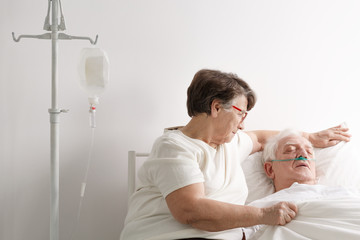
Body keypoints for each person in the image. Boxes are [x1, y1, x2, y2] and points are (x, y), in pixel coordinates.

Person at [120, 69, 351, 240]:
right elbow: (190, 211)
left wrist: (310, 137)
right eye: (242, 114)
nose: (242, 125)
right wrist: (263, 214)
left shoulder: (231, 143)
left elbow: (261, 138)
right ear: (216, 107)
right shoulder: (174, 147)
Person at [244, 129, 360, 239]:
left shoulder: (347, 194)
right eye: (290, 150)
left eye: (309, 152)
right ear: (270, 170)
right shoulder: (260, 210)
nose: (303, 154)